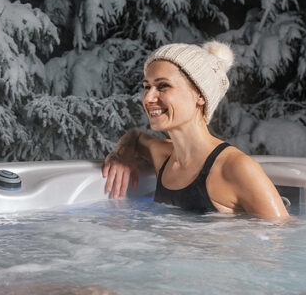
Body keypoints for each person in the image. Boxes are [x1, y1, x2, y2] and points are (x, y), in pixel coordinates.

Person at [102, 41, 289, 220]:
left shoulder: (236, 168)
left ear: (200, 95)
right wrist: (122, 152)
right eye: (147, 87)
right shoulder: (164, 157)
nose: (148, 98)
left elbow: (282, 237)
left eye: (163, 86)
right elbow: (135, 137)